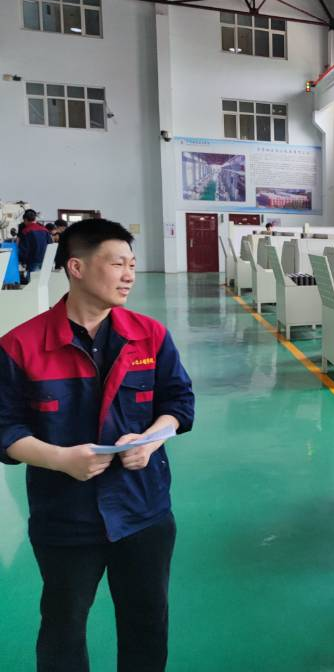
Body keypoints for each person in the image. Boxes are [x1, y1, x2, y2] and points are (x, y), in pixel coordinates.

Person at [0, 218, 196, 672]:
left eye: (132, 264)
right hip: (66, 517)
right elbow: (4, 427)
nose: (129, 275)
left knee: (147, 624)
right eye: (117, 264)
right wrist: (59, 459)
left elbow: (179, 402)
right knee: (63, 628)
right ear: (77, 267)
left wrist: (151, 439)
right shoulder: (21, 346)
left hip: (143, 510)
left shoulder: (150, 335)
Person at [18, 209, 52, 284]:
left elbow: (24, 249)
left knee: (32, 283)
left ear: (25, 220)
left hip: (33, 260)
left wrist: (22, 261)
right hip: (46, 260)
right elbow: (50, 244)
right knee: (42, 282)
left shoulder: (26, 231)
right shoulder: (45, 230)